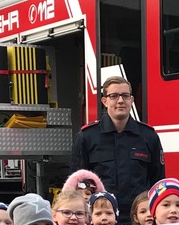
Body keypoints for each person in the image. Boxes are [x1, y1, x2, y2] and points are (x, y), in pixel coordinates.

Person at [70, 76, 165, 206]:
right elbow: (77, 184)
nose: (120, 101)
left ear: (131, 100)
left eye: (125, 96)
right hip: (101, 218)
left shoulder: (148, 136)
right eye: (114, 96)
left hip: (139, 220)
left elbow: (158, 183)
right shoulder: (86, 137)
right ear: (104, 101)